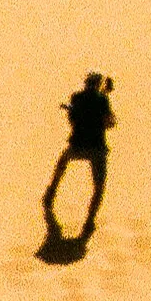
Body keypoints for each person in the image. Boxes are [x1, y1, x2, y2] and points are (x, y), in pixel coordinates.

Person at [43, 72, 115, 239]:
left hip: (77, 145)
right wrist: (106, 99)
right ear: (98, 85)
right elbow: (109, 123)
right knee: (99, 186)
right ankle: (90, 220)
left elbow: (73, 120)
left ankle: (50, 194)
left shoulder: (76, 97)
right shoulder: (102, 100)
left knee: (62, 163)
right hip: (97, 147)